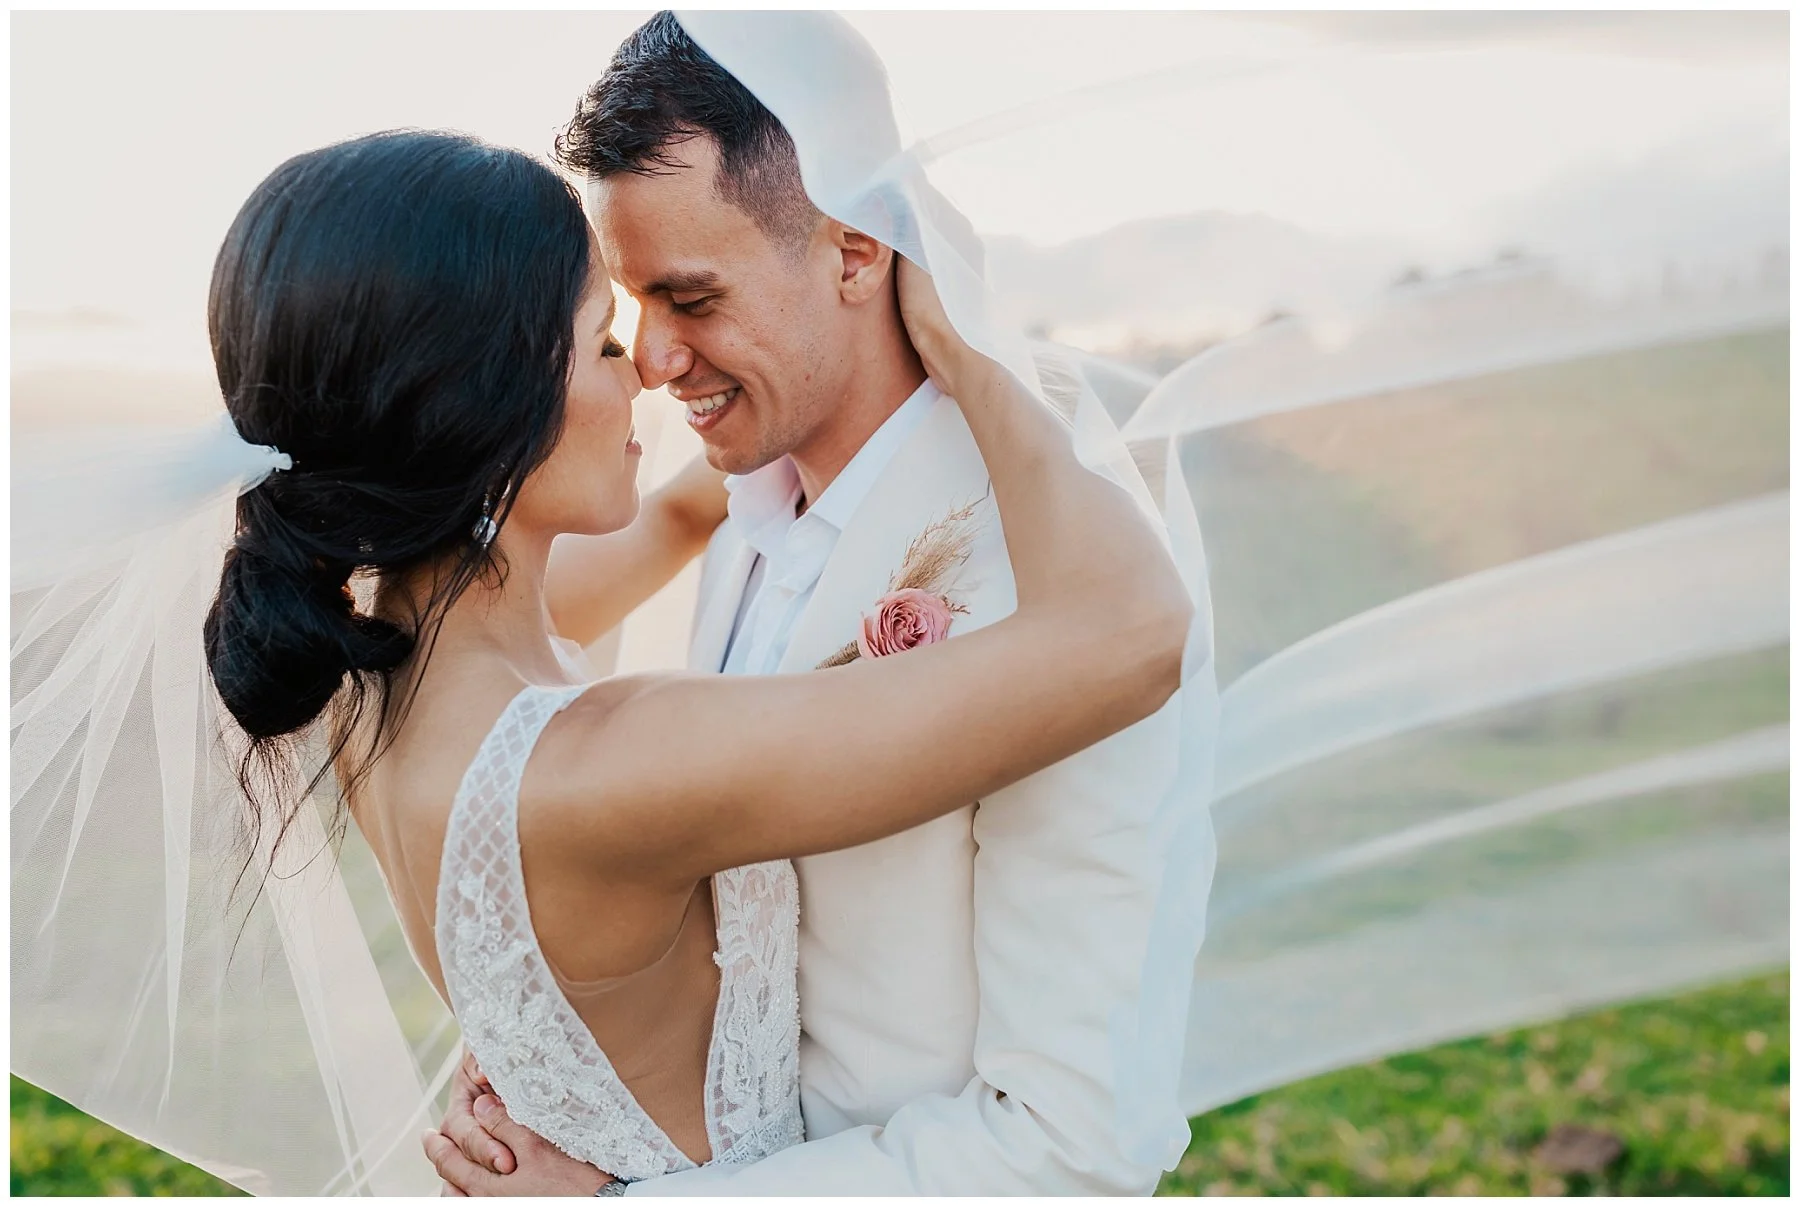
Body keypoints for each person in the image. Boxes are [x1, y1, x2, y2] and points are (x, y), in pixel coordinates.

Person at [194, 125, 1186, 1191]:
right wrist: (970, 354)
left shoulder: (374, 670)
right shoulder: (615, 760)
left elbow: (672, 516)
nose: (650, 377)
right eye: (606, 344)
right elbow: (1127, 633)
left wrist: (820, 382)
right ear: (483, 407)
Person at [427, 12, 1197, 1195]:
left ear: (854, 249)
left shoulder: (1058, 578)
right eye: (631, 309)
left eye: (691, 298)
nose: (654, 361)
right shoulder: (736, 508)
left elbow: (1072, 1144)